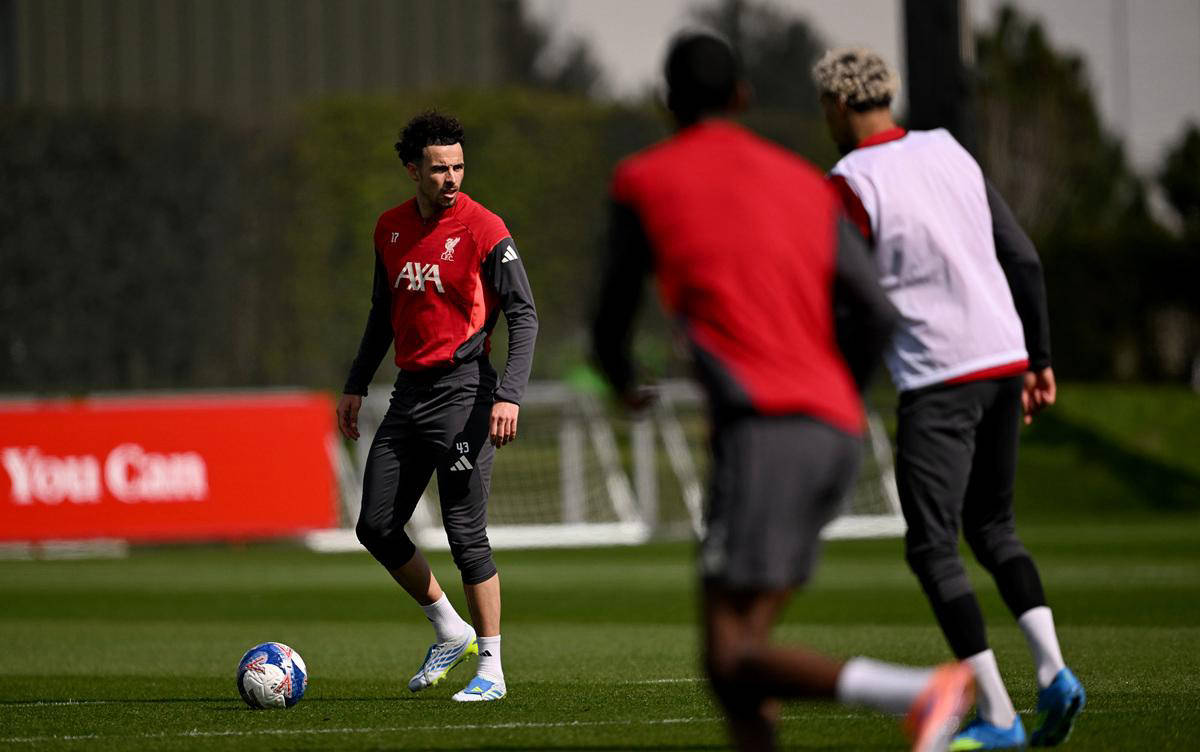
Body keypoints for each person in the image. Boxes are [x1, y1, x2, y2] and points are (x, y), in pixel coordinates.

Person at [592, 32, 975, 752]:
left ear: (666, 101)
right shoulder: (804, 181)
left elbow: (610, 319)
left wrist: (623, 382)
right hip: (833, 431)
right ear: (742, 97)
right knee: (744, 659)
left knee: (728, 656)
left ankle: (917, 692)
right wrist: (838, 393)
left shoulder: (643, 179)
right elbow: (878, 311)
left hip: (764, 432)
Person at [812, 48, 1086, 749]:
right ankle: (1054, 672)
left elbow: (853, 299)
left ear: (837, 105)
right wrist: (1039, 357)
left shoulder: (849, 180)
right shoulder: (947, 148)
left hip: (938, 375)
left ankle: (998, 716)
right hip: (1003, 358)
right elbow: (1023, 257)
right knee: (994, 528)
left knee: (932, 547)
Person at [336, 111, 537, 703]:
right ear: (412, 170)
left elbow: (524, 315)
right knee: (375, 525)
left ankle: (492, 669)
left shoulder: (485, 229)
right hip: (409, 393)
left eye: (458, 167)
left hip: (466, 392)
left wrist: (509, 394)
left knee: (464, 531)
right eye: (439, 168)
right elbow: (382, 313)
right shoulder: (390, 228)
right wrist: (356, 382)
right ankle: (450, 629)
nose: (451, 178)